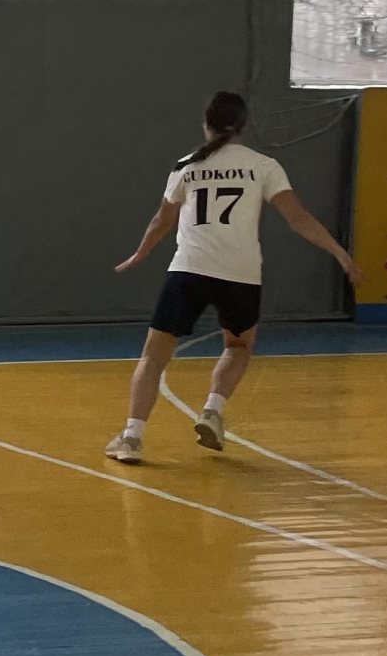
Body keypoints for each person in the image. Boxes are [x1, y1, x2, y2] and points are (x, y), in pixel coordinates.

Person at [108, 91, 359, 464]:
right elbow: (298, 218)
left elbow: (162, 220)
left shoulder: (187, 166)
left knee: (154, 356)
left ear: (205, 124)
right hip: (241, 274)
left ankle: (132, 437)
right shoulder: (263, 165)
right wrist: (339, 253)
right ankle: (212, 410)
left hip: (190, 269)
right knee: (238, 346)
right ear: (245, 125)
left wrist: (141, 253)